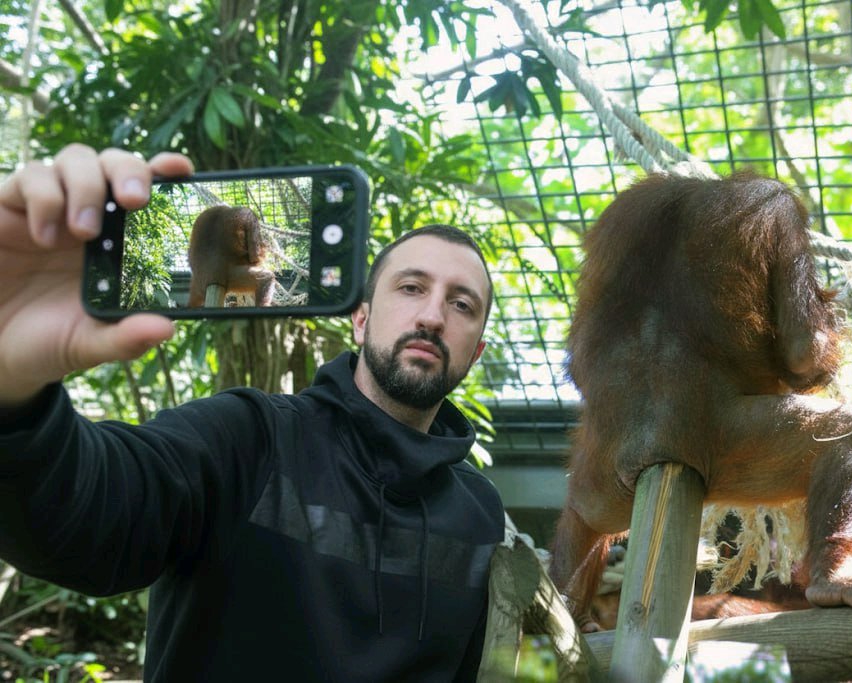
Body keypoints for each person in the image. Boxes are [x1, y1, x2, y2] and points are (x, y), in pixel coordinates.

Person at [0, 145, 505, 681]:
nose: (432, 316)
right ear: (360, 320)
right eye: (411, 287)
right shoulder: (248, 438)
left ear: (475, 352)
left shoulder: (479, 514)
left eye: (461, 304)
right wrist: (13, 392)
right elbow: (83, 520)